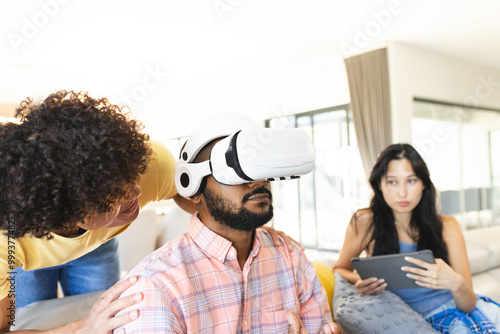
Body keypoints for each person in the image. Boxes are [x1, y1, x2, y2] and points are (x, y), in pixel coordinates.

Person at [0, 91, 294, 333]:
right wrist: (81, 328)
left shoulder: (150, 166)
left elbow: (196, 196)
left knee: (111, 315)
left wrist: (244, 231)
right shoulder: (5, 245)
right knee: (31, 317)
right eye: (110, 196)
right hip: (25, 259)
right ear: (62, 211)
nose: (135, 194)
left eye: (128, 179)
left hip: (99, 246)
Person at [114, 114, 341, 333]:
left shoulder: (291, 257)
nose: (257, 181)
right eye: (235, 169)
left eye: (259, 166)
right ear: (193, 188)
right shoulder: (156, 285)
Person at [333, 143, 500, 333]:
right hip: (418, 321)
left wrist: (455, 281)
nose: (402, 193)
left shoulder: (448, 225)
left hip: (469, 313)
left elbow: (468, 304)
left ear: (423, 184)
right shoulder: (365, 221)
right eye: (392, 182)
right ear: (379, 185)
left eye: (411, 181)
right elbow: (339, 268)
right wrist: (359, 280)